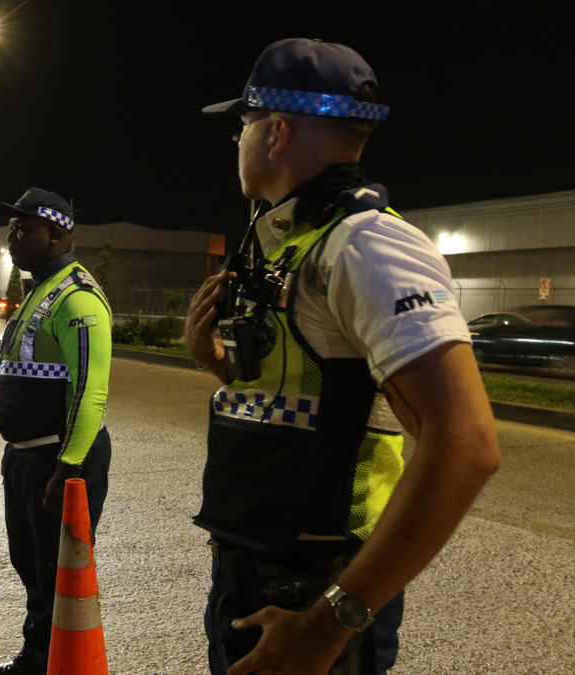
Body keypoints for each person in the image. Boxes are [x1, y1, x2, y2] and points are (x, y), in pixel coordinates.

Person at [189, 38, 502, 675]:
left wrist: (327, 625)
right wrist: (216, 361)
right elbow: (320, 397)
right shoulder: (296, 238)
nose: (238, 141)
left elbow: (466, 445)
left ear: (277, 132)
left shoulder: (368, 245)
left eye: (243, 124)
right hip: (253, 562)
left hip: (315, 583)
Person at [0, 188, 113, 675]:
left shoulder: (77, 298)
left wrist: (69, 468)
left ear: (57, 234)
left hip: (58, 459)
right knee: (30, 564)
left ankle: (57, 664)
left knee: (57, 573)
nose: (12, 238)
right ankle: (36, 658)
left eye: (24, 229)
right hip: (25, 456)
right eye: (11, 229)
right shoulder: (40, 290)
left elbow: (90, 392)